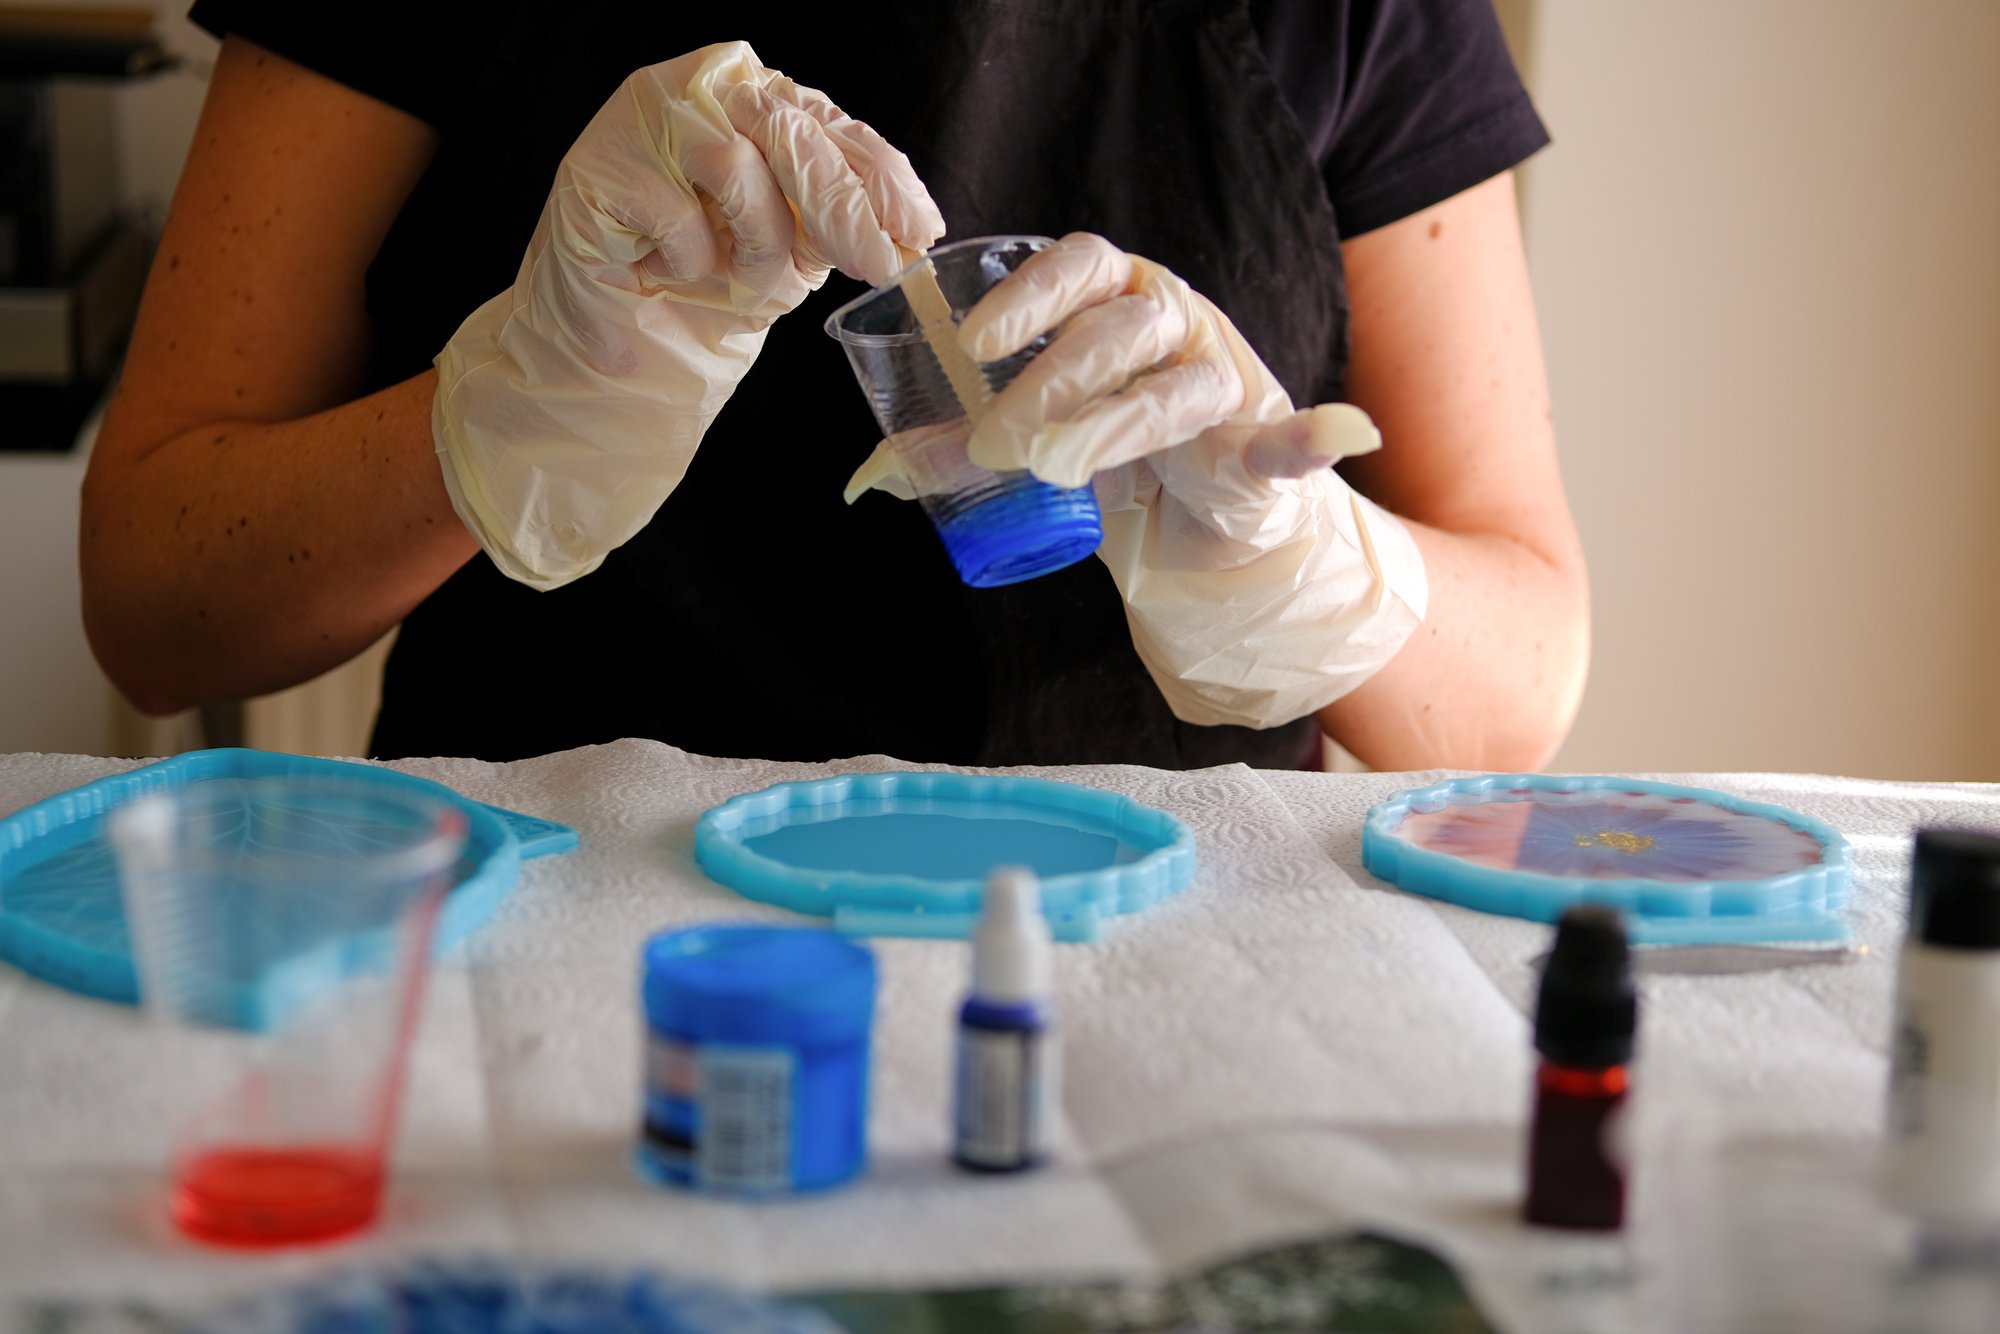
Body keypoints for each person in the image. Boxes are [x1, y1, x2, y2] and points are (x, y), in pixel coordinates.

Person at [80, 0, 1589, 772]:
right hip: (567, 955)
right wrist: (499, 418)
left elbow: (1519, 677)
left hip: (1160, 957)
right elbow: (148, 599)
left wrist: (1320, 569)